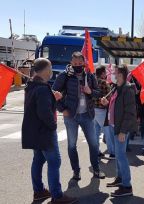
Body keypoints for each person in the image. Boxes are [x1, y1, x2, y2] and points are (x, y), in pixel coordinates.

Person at [22, 58, 77, 204]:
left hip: (36, 131)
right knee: (54, 161)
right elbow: (44, 112)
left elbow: (38, 106)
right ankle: (57, 196)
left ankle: (39, 191)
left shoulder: (33, 85)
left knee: (38, 160)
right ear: (46, 70)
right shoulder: (41, 88)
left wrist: (52, 97)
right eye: (50, 67)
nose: (52, 70)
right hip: (45, 132)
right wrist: (53, 126)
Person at [53, 52, 105, 180]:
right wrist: (62, 109)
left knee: (93, 144)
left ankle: (96, 169)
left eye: (80, 63)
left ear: (84, 63)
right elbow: (53, 93)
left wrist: (90, 91)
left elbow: (98, 94)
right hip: (71, 116)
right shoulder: (64, 76)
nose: (77, 66)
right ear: (71, 63)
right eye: (75, 63)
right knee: (72, 145)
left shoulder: (90, 76)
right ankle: (76, 171)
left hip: (87, 115)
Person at [101, 65, 137, 197]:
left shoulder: (127, 89)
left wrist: (123, 131)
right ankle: (120, 179)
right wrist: (107, 101)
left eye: (115, 72)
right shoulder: (117, 87)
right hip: (113, 126)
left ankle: (127, 186)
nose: (112, 74)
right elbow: (116, 104)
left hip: (120, 128)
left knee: (121, 156)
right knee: (118, 155)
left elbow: (129, 113)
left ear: (120, 74)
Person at [94, 66, 113, 159]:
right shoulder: (104, 83)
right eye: (105, 72)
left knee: (95, 133)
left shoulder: (91, 82)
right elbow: (110, 97)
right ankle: (112, 152)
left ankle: (96, 151)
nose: (106, 74)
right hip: (102, 110)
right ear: (102, 73)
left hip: (92, 110)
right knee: (107, 131)